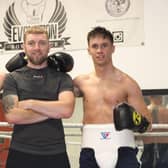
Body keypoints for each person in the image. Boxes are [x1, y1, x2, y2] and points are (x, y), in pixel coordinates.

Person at [73, 26, 152, 168]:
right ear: (89, 50)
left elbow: (148, 124)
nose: (99, 50)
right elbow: (55, 94)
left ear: (113, 48)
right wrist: (53, 72)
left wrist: (135, 120)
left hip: (123, 149)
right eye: (95, 46)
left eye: (104, 45)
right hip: (90, 149)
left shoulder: (128, 83)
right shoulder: (80, 83)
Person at [2, 26, 75, 168]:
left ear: (50, 46)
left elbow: (66, 109)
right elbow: (11, 115)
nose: (37, 48)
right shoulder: (12, 78)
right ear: (24, 46)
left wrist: (30, 103)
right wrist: (53, 110)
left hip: (55, 153)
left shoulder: (63, 78)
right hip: (20, 152)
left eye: (42, 43)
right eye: (31, 43)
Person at [141, 95, 168, 168]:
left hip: (148, 146)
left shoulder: (143, 112)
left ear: (150, 97)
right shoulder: (166, 111)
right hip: (164, 146)